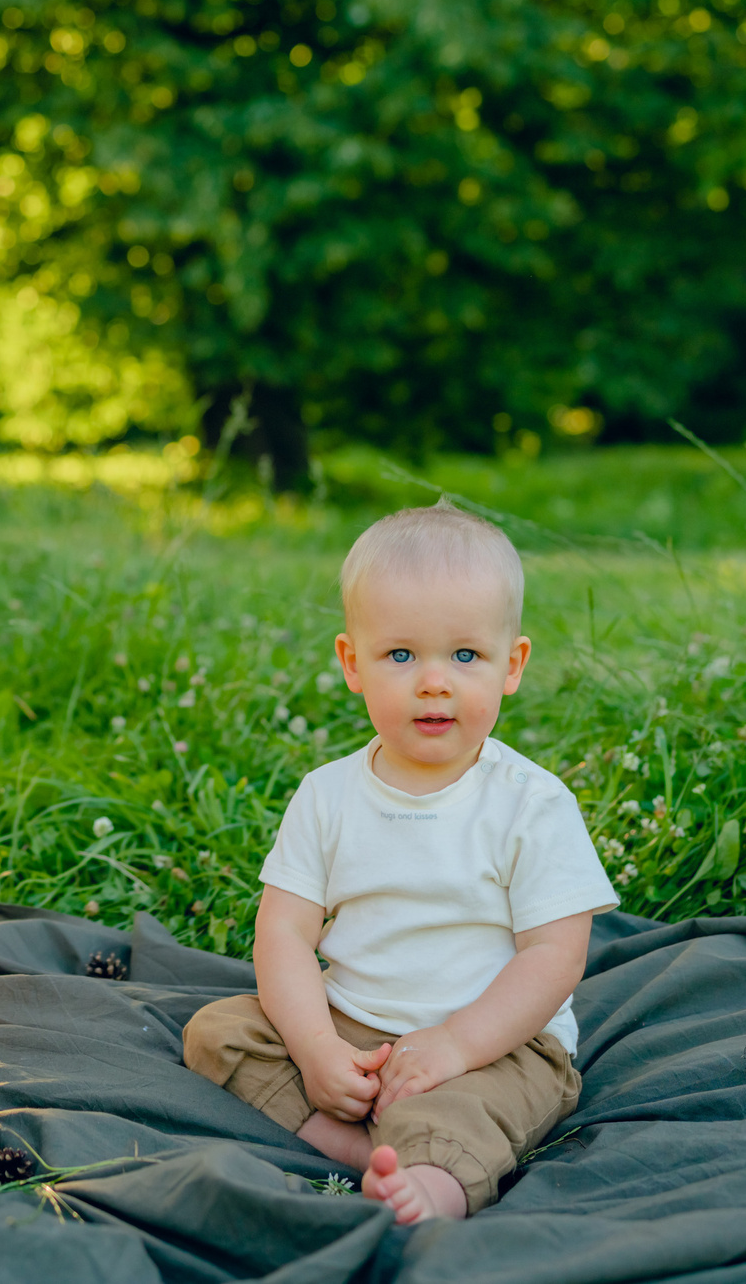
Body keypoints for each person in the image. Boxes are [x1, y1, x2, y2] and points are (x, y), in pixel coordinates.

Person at [181, 501, 617, 1224]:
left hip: (494, 1043)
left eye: (465, 655)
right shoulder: (327, 796)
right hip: (351, 1025)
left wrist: (454, 1045)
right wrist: (317, 1048)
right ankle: (361, 1148)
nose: (434, 681)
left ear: (512, 665)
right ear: (353, 662)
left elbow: (555, 956)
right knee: (217, 1034)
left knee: (470, 1112)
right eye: (402, 655)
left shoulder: (531, 803)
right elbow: (284, 933)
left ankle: (430, 1187)